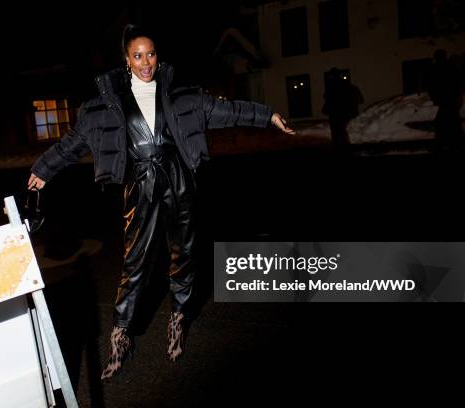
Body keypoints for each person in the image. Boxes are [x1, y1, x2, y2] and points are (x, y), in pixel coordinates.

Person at [28, 24, 294, 380]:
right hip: (139, 183)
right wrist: (44, 169)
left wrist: (267, 115)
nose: (145, 62)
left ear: (158, 56)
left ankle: (178, 318)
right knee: (135, 260)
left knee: (183, 252)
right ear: (126, 60)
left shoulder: (179, 94)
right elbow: (73, 143)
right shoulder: (106, 104)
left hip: (178, 179)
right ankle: (121, 334)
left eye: (150, 54)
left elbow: (225, 112)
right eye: (137, 56)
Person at [323, 68, 363, 153]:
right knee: (343, 134)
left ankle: (340, 151)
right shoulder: (348, 86)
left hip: (336, 115)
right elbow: (359, 100)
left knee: (337, 135)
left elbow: (329, 101)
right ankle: (345, 150)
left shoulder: (332, 87)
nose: (329, 78)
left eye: (330, 76)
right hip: (344, 114)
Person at [429, 49, 463, 149]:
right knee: (451, 119)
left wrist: (435, 97)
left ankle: (446, 142)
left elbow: (432, 85)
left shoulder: (436, 69)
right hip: (451, 99)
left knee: (444, 121)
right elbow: (457, 83)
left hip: (445, 99)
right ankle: (454, 141)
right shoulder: (451, 67)